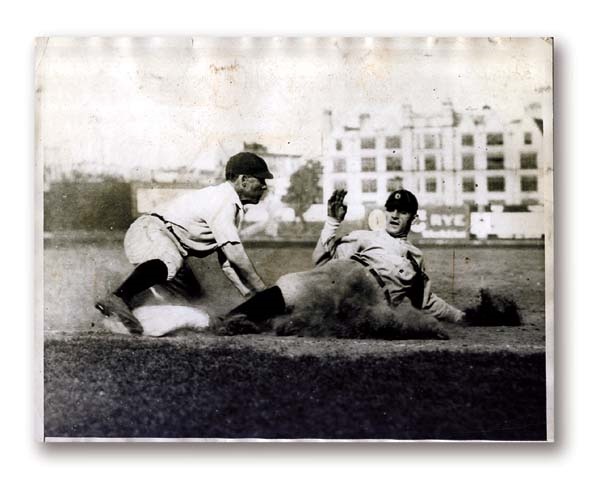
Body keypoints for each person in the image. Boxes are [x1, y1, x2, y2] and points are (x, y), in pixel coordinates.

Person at [213, 188, 465, 336]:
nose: (395, 214)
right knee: (292, 286)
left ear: (414, 217)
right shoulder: (364, 237)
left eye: (403, 210)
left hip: (370, 302)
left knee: (312, 321)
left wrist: (460, 316)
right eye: (391, 209)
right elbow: (322, 261)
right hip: (345, 277)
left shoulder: (415, 256)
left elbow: (427, 301)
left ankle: (266, 322)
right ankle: (229, 320)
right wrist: (332, 223)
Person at [95, 151, 273, 335]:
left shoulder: (231, 204)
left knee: (194, 300)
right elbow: (235, 255)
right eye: (261, 180)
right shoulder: (224, 201)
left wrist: (250, 295)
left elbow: (228, 262)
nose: (264, 186)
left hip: (164, 240)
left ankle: (122, 318)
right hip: (152, 232)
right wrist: (263, 291)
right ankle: (118, 296)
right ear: (244, 180)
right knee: (171, 263)